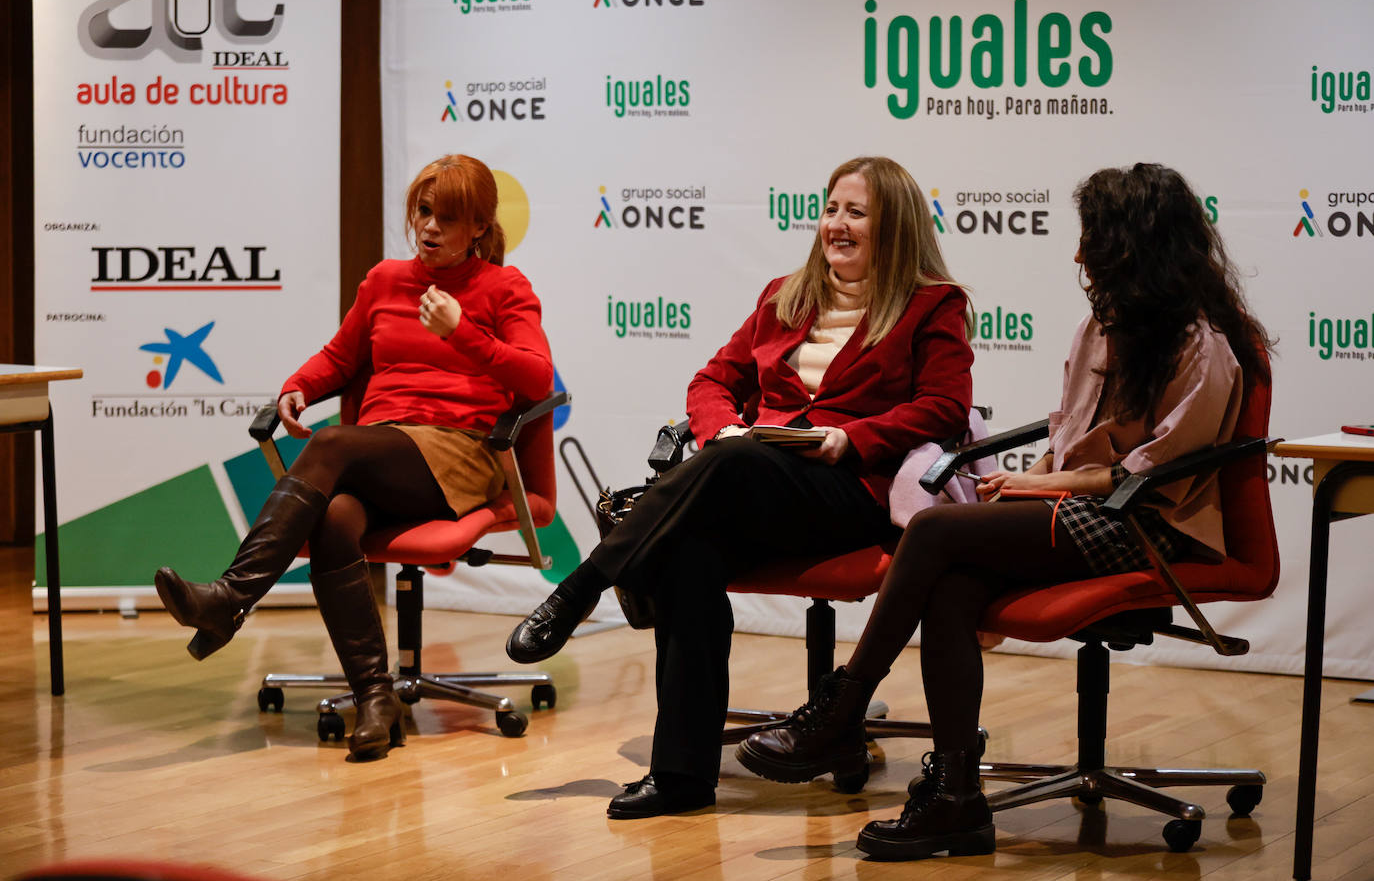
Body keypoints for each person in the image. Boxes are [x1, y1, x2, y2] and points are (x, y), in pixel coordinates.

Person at [736, 162, 1274, 860]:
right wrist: (1035, 477)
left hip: (1149, 529)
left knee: (930, 532)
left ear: (1138, 245)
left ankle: (841, 708)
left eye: (1095, 241)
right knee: (954, 587)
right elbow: (1069, 434)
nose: (1080, 256)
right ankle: (957, 801)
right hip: (1088, 509)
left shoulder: (1205, 346)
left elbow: (1149, 477)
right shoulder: (1103, 325)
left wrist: (1043, 487)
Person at [505, 156, 976, 818]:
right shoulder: (786, 295)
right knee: (686, 552)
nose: (836, 225)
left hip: (847, 489)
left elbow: (946, 406)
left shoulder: (932, 304)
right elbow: (711, 382)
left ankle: (582, 587)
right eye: (832, 208)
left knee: (730, 470)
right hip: (756, 481)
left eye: (856, 213)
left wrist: (857, 436)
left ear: (892, 224)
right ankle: (682, 779)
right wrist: (722, 427)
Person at [154, 154, 553, 762]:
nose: (429, 228)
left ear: (478, 227)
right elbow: (339, 358)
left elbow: (537, 377)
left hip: (459, 456)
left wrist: (462, 331)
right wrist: (300, 387)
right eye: (423, 212)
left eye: (447, 218)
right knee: (337, 516)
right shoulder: (385, 281)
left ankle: (231, 598)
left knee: (331, 443)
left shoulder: (505, 287)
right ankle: (374, 698)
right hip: (382, 452)